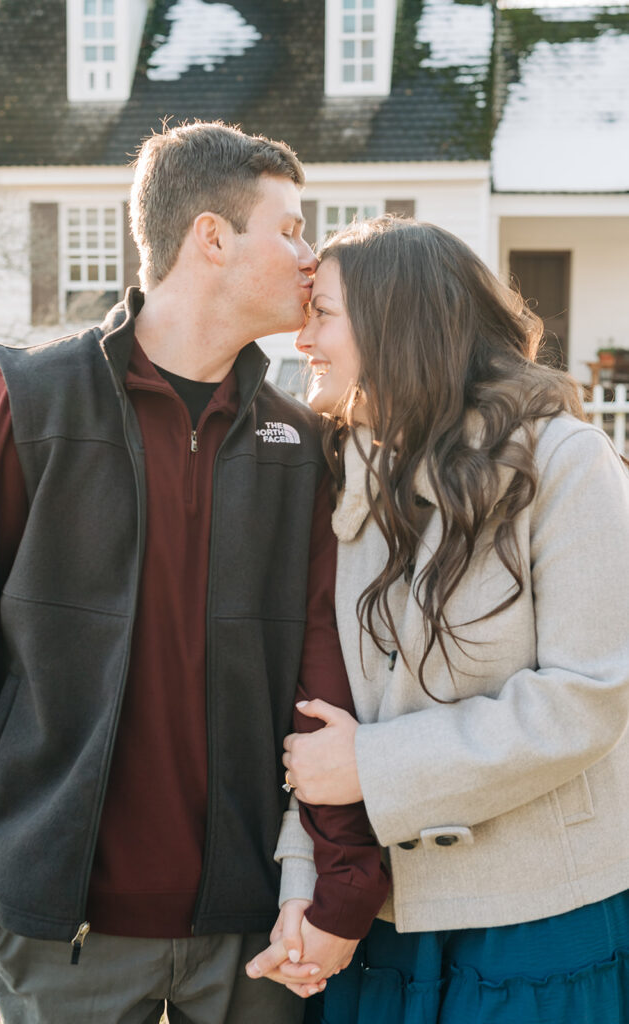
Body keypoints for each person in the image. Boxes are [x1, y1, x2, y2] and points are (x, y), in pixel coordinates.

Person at [0, 122, 390, 1024]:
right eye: (293, 229)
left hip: (248, 937)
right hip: (61, 935)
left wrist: (338, 884)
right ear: (213, 238)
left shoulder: (298, 445)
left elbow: (322, 681)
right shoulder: (28, 405)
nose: (311, 258)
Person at [251, 216, 629, 1022]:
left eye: (323, 312)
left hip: (534, 920)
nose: (302, 333)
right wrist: (300, 887)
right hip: (380, 923)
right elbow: (321, 715)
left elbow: (588, 697)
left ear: (398, 321)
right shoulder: (336, 471)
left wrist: (379, 768)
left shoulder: (564, 460)